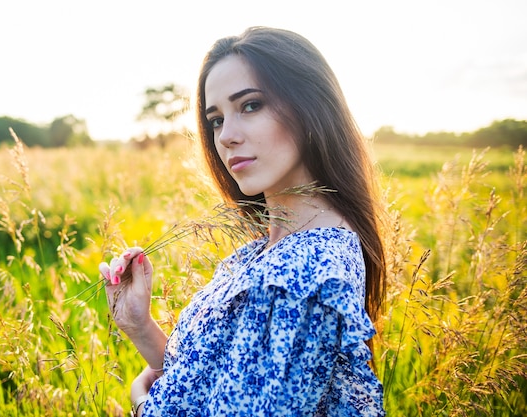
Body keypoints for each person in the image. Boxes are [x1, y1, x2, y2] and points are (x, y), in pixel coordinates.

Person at [102, 26, 386, 416]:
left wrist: (143, 406)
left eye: (250, 105)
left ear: (310, 107)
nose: (226, 137)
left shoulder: (306, 274)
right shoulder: (266, 252)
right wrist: (141, 328)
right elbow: (217, 385)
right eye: (216, 120)